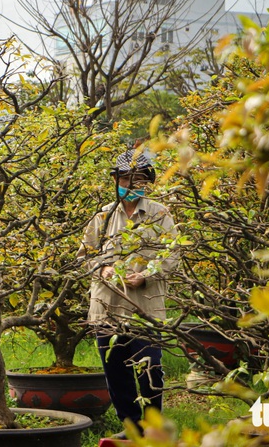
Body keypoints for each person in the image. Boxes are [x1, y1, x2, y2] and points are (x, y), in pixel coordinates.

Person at [77, 146, 177, 438]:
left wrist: (146, 275)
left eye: (138, 180)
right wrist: (102, 269)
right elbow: (85, 254)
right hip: (107, 306)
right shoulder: (103, 217)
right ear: (116, 181)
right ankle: (131, 427)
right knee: (116, 372)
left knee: (150, 368)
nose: (130, 186)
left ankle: (153, 426)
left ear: (147, 182)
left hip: (144, 306)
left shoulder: (160, 215)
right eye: (124, 179)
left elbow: (172, 254)